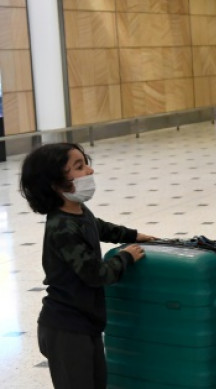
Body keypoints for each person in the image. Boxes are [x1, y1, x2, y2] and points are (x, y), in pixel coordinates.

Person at [20, 142, 154, 389]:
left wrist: (132, 234)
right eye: (79, 167)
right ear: (55, 183)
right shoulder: (62, 227)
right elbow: (96, 275)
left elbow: (99, 227)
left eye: (86, 163)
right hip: (65, 328)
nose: (90, 172)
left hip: (85, 323)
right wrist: (126, 256)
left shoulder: (79, 212)